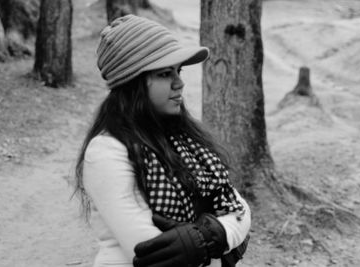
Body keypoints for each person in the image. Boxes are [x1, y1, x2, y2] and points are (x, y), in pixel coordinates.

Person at [74, 14, 251, 267]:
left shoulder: (186, 140)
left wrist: (214, 235)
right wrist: (222, 237)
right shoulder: (106, 151)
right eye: (165, 74)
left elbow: (239, 208)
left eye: (178, 71)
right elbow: (150, 251)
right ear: (133, 82)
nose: (180, 83)